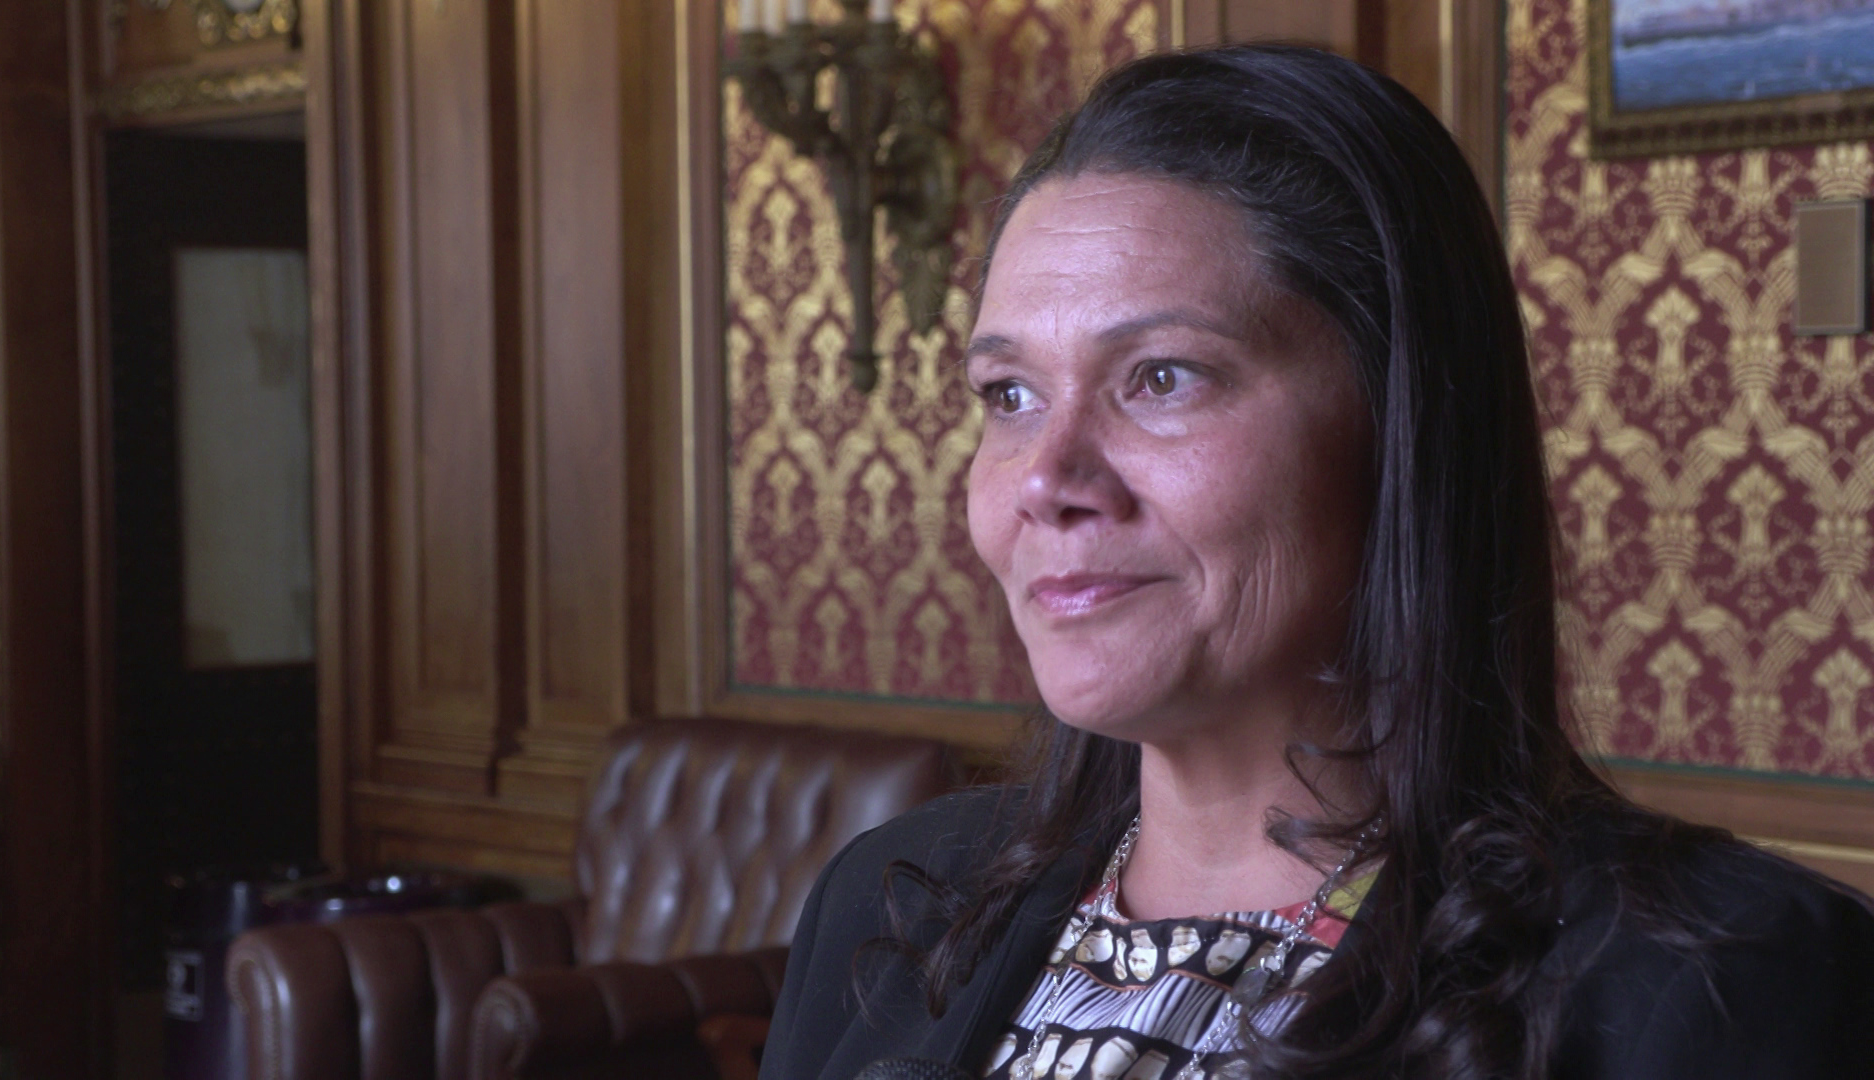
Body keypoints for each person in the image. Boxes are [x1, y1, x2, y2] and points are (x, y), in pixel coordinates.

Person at [758, 45, 1874, 1080]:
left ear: (1399, 424)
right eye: (1009, 395)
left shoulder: (1719, 985)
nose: (1047, 477)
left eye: (1162, 378)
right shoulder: (889, 908)